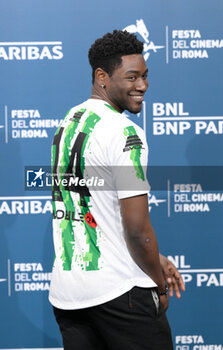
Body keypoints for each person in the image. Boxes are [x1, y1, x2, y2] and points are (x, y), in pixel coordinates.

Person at [49, 30, 185, 350]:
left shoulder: (69, 122)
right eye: (132, 77)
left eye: (145, 76)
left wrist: (156, 257)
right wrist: (158, 287)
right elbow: (137, 229)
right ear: (102, 77)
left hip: (69, 296)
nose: (143, 85)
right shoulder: (124, 132)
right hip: (121, 297)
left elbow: (95, 206)